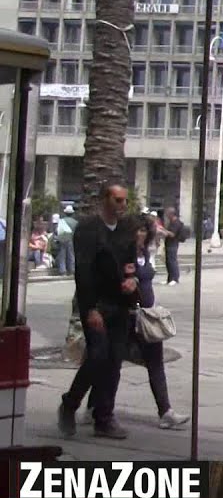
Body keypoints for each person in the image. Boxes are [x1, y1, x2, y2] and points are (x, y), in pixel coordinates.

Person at [79, 214, 189, 429]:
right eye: (138, 230)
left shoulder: (144, 253)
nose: (141, 234)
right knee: (111, 363)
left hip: (145, 316)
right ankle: (93, 408)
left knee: (155, 362)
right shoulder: (120, 254)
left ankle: (165, 411)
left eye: (145, 230)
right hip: (124, 316)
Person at [58, 182, 135, 439]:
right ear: (104, 200)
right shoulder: (88, 229)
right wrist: (90, 309)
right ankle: (70, 403)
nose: (122, 205)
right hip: (97, 304)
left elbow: (131, 262)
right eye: (117, 200)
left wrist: (132, 280)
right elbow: (83, 271)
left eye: (125, 200)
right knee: (97, 356)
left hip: (120, 303)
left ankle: (104, 417)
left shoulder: (126, 228)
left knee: (114, 361)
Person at [160, 208, 185, 285]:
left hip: (173, 244)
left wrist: (164, 230)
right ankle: (170, 279)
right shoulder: (171, 222)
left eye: (167, 214)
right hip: (168, 244)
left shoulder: (176, 223)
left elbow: (172, 234)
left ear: (171, 214)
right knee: (168, 262)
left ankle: (175, 278)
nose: (166, 216)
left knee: (172, 261)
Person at [56, 205, 77, 276]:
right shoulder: (75, 222)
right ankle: (72, 270)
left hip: (62, 239)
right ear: (72, 213)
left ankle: (63, 271)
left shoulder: (61, 221)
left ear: (65, 213)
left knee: (62, 255)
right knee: (71, 255)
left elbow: (57, 230)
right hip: (71, 239)